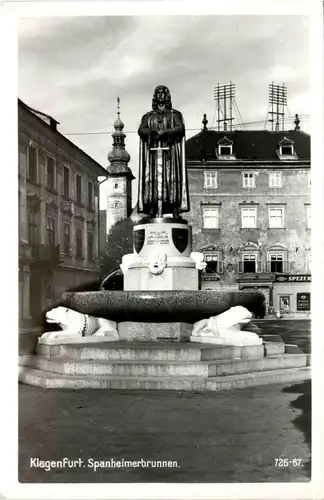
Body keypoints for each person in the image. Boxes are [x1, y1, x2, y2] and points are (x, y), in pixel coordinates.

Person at [137, 85, 190, 219]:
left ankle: (175, 209)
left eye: (163, 93)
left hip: (170, 152)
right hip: (153, 154)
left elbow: (180, 128)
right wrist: (153, 132)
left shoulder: (174, 114)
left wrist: (166, 132)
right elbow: (141, 130)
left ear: (167, 96)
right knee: (152, 178)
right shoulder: (148, 116)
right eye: (158, 93)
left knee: (171, 177)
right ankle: (152, 208)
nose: (160, 95)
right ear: (155, 96)